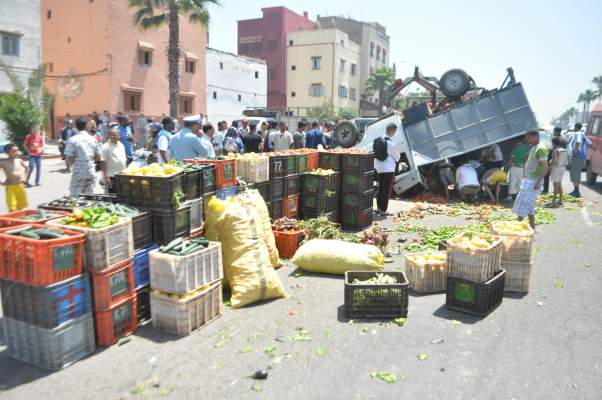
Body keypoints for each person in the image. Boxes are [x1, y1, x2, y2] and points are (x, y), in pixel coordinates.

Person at [512, 130, 549, 229]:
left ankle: (518, 224)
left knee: (524, 203)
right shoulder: (535, 147)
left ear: (536, 136)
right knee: (529, 204)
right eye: (527, 139)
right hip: (530, 179)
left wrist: (538, 181)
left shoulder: (541, 148)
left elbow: (545, 166)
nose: (528, 141)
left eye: (529, 138)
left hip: (533, 181)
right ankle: (532, 225)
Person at [65, 117, 102, 197]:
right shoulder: (93, 139)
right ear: (86, 126)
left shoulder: (72, 140)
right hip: (90, 171)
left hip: (78, 173)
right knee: (89, 199)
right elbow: (99, 157)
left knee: (75, 199)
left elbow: (69, 159)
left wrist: (74, 163)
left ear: (76, 126)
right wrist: (89, 159)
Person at [374, 123, 401, 216]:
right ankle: (383, 211)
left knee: (380, 188)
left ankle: (378, 208)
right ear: (392, 131)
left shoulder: (378, 140)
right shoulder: (390, 143)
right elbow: (397, 158)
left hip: (378, 168)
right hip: (388, 169)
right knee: (387, 190)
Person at [0, 143, 29, 211]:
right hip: (10, 187)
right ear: (7, 153)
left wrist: (25, 177)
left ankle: (20, 220)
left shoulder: (19, 161)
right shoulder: (4, 163)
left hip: (20, 186)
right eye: (14, 151)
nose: (17, 152)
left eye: (17, 150)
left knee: (21, 206)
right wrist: (1, 181)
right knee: (12, 207)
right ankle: (13, 220)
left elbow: (27, 168)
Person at [100, 126, 127, 193]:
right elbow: (102, 162)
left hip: (122, 175)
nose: (112, 137)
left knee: (121, 195)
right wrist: (106, 177)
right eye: (111, 135)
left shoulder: (121, 145)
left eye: (114, 135)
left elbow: (124, 160)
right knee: (111, 197)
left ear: (119, 136)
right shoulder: (105, 147)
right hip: (111, 176)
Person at [568, 123, 590, 198]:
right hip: (581, 156)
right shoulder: (582, 134)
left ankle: (576, 191)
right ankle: (575, 190)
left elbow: (578, 142)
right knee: (577, 173)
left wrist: (576, 152)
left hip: (577, 156)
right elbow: (589, 143)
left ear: (576, 127)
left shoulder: (578, 134)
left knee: (575, 173)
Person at [547, 136, 568, 207]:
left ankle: (553, 201)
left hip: (556, 168)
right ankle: (560, 200)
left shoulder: (555, 150)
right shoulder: (564, 150)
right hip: (562, 168)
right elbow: (566, 161)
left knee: (555, 185)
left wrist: (550, 163)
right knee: (559, 184)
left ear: (553, 143)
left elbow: (555, 160)